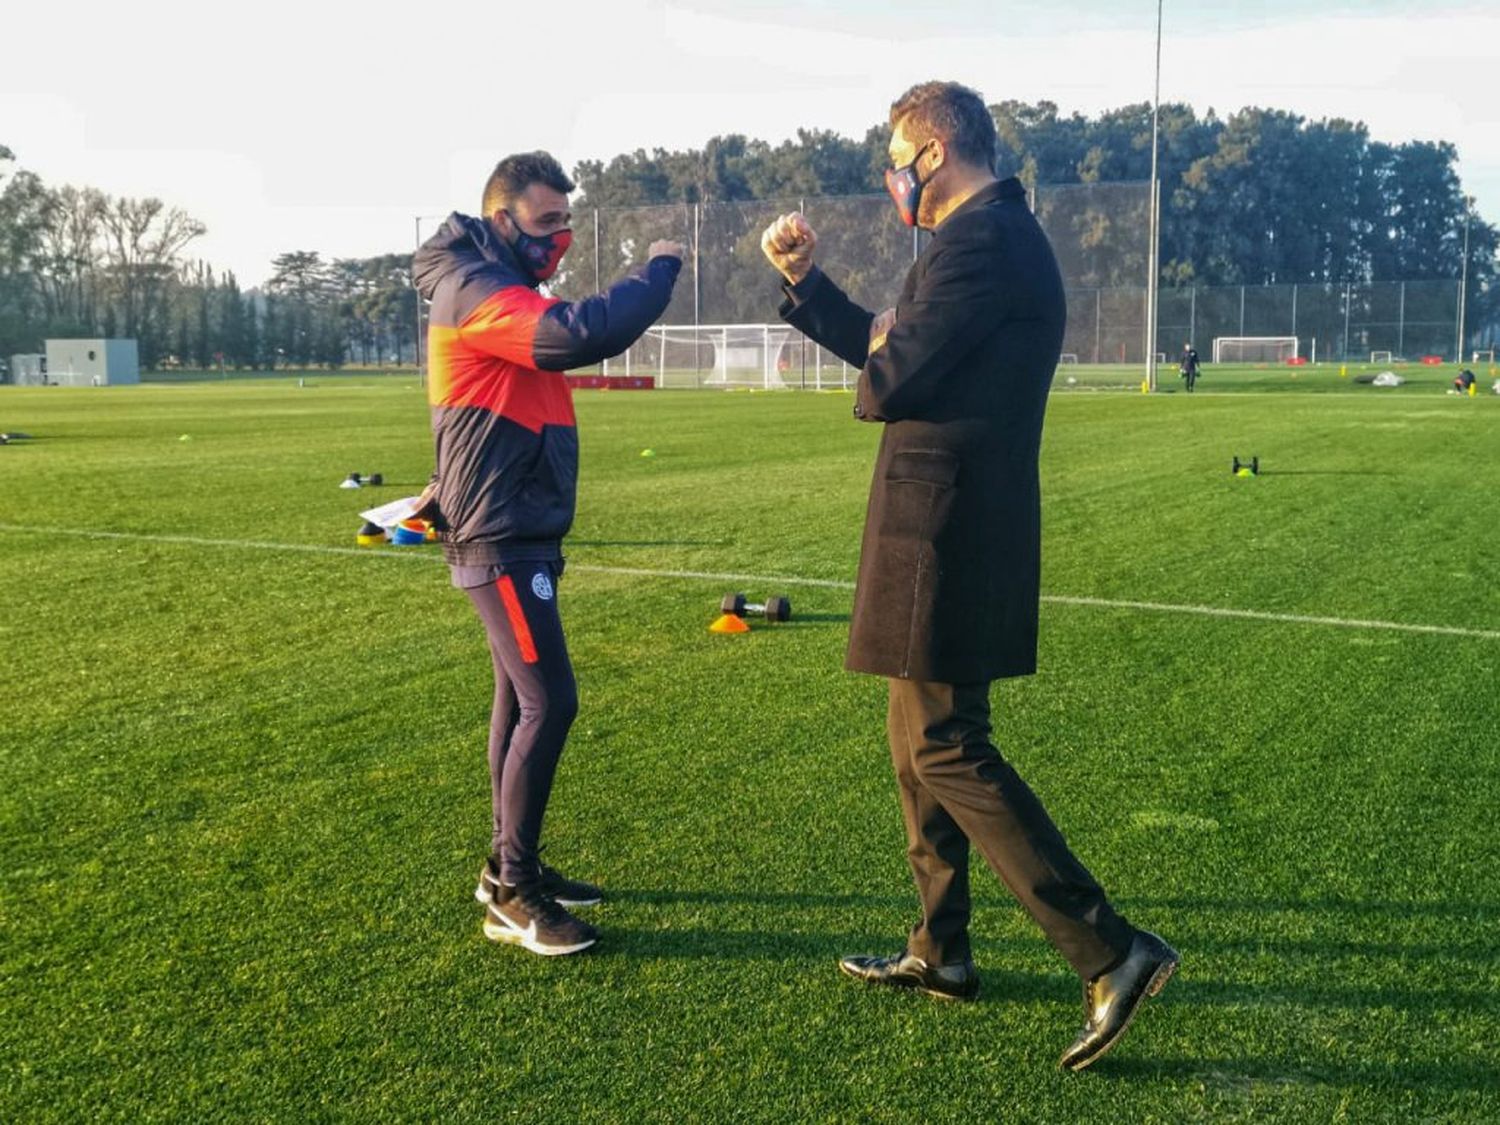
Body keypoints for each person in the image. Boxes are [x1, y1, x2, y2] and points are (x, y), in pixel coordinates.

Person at [761, 82, 1177, 1070]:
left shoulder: (979, 242)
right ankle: (940, 952)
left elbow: (894, 375)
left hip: (945, 528)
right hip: (948, 521)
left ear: (937, 151)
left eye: (897, 155)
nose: (891, 174)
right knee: (919, 749)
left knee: (946, 744)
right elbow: (899, 346)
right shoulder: (985, 243)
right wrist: (812, 288)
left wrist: (881, 356)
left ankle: (1111, 948)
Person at [412, 152, 683, 956]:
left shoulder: (494, 282)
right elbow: (575, 335)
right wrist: (660, 269)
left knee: (517, 699)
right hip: (499, 532)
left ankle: (508, 867)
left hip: (517, 521)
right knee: (549, 700)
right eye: (546, 223)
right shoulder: (475, 287)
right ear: (502, 220)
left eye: (567, 221)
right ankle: (513, 893)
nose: (560, 238)